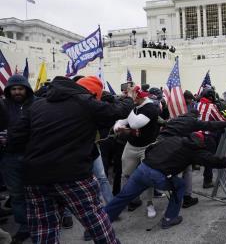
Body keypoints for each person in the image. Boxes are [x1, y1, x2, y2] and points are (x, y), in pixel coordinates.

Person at [8, 76, 134, 244]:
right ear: (92, 94)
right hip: (73, 175)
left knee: (44, 229)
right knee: (95, 219)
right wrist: (128, 96)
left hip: (35, 178)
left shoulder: (37, 105)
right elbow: (120, 110)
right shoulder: (85, 103)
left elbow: (15, 138)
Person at [104, 112, 226, 228]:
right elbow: (213, 160)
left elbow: (151, 149)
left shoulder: (175, 137)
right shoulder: (195, 151)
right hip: (158, 176)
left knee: (123, 196)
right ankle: (169, 218)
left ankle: (100, 223)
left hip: (143, 169)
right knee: (180, 185)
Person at [114, 86, 160, 218]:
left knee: (148, 176)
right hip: (132, 145)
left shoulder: (151, 108)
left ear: (139, 97)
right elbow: (122, 120)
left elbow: (135, 124)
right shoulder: (134, 106)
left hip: (147, 147)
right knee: (126, 174)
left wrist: (129, 106)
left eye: (133, 97)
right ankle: (131, 200)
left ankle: (149, 203)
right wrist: (118, 126)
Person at [0, 74, 35, 243]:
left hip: (33, 156)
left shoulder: (37, 104)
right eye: (13, 89)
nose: (17, 92)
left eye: (20, 88)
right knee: (16, 194)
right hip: (10, 157)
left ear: (26, 89)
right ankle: (25, 226)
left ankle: (40, 222)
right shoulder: (2, 106)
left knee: (36, 192)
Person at [197, 88, 226, 188]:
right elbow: (220, 119)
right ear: (211, 96)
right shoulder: (211, 106)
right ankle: (208, 181)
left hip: (196, 135)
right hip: (207, 136)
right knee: (209, 158)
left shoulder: (198, 104)